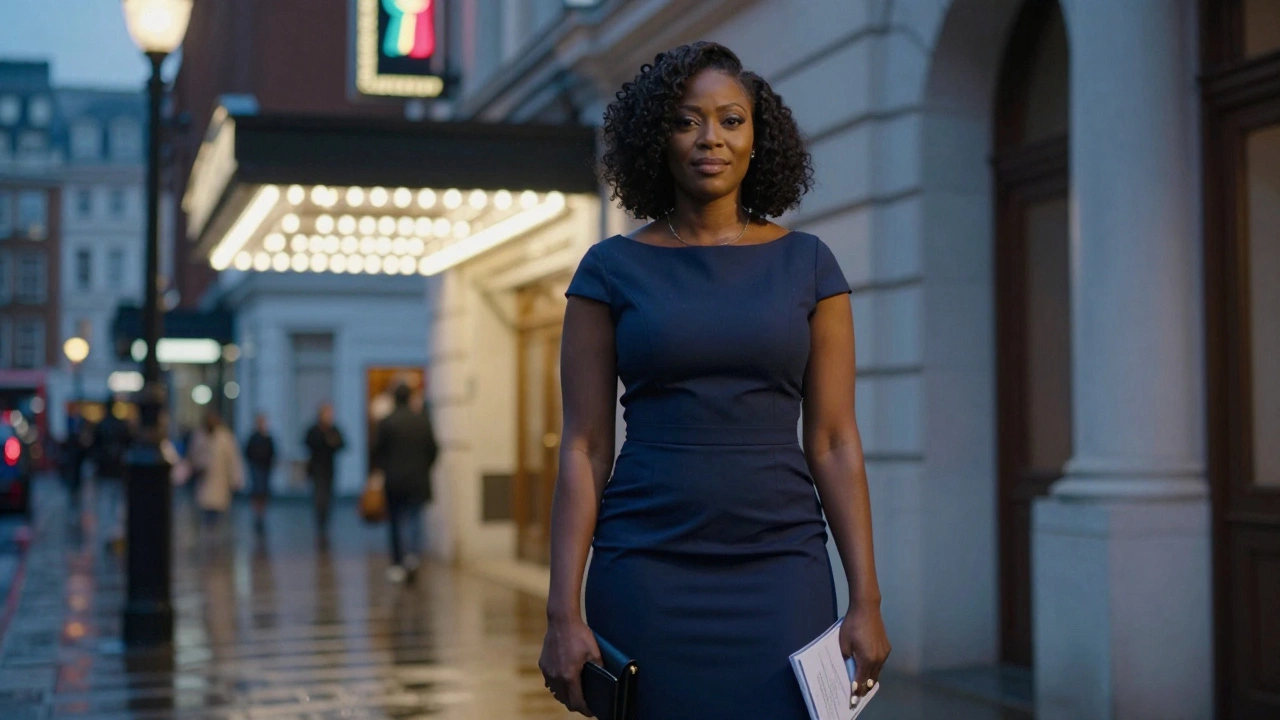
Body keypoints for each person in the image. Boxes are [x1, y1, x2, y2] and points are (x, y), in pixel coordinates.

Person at [538, 43, 891, 718]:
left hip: (782, 566)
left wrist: (866, 600)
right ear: (656, 140)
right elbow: (584, 446)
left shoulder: (811, 265)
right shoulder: (608, 270)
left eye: (731, 120)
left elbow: (835, 440)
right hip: (644, 567)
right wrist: (562, 612)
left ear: (758, 139)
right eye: (686, 121)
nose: (710, 138)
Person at [371, 384, 438, 584]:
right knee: (415, 518)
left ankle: (398, 563)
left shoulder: (387, 422)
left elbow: (377, 451)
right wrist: (424, 467)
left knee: (395, 522)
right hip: (417, 479)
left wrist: (383, 470)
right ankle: (412, 555)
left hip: (394, 480)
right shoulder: (421, 421)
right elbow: (433, 450)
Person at [194, 410, 244, 536]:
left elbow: (233, 460)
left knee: (218, 511)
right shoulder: (199, 436)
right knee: (207, 510)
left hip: (220, 481)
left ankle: (216, 534)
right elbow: (193, 457)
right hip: (205, 481)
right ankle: (209, 533)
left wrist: (236, 479)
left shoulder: (225, 438)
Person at [91, 397, 132, 551]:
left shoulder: (100, 425)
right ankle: (116, 534)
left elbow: (93, 448)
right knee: (118, 504)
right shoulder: (120, 425)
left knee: (106, 504)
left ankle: (108, 535)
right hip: (118, 471)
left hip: (105, 471)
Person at [304, 403, 345, 540]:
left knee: (327, 497)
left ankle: (325, 521)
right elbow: (307, 442)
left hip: (329, 468)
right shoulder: (314, 430)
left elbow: (342, 444)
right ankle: (320, 522)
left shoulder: (333, 430)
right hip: (317, 468)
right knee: (319, 497)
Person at [244, 413, 276, 536]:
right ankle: (257, 515)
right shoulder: (253, 438)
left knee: (263, 493)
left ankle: (261, 515)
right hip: (256, 468)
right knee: (257, 492)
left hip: (265, 469)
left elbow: (273, 453)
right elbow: (248, 452)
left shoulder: (268, 438)